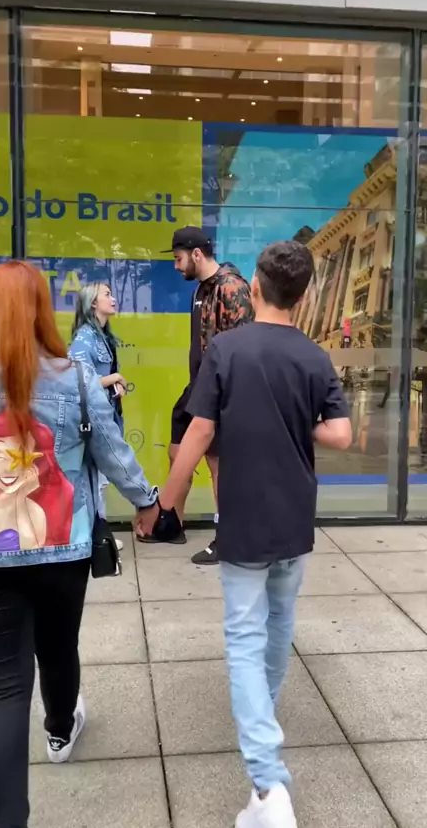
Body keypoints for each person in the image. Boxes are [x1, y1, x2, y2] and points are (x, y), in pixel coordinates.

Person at [139, 241, 352, 828]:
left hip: (244, 515)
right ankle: (263, 720)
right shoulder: (313, 356)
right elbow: (340, 434)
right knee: (278, 626)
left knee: (243, 635)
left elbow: (199, 432)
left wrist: (165, 503)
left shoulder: (227, 350)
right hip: (294, 516)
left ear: (254, 289)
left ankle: (267, 781)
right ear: (303, 296)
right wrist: (295, 418)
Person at [0, 261, 159, 828]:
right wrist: (148, 500)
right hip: (61, 551)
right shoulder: (76, 378)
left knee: (1, 689)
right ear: (44, 312)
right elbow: (112, 451)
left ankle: (7, 820)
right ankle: (60, 731)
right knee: (58, 647)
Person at [138, 226, 253, 564]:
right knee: (178, 451)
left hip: (222, 393)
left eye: (178, 259)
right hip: (198, 387)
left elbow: (245, 349)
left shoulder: (232, 288)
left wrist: (228, 400)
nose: (176, 266)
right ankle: (171, 523)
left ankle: (229, 537)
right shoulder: (202, 288)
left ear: (197, 255)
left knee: (219, 466)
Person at [70, 282, 126, 552]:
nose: (113, 299)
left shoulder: (103, 336)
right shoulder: (84, 339)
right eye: (107, 295)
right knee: (96, 480)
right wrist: (113, 378)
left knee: (100, 479)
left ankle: (98, 533)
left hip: (107, 414)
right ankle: (96, 536)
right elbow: (80, 380)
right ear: (93, 303)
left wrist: (115, 385)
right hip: (94, 419)